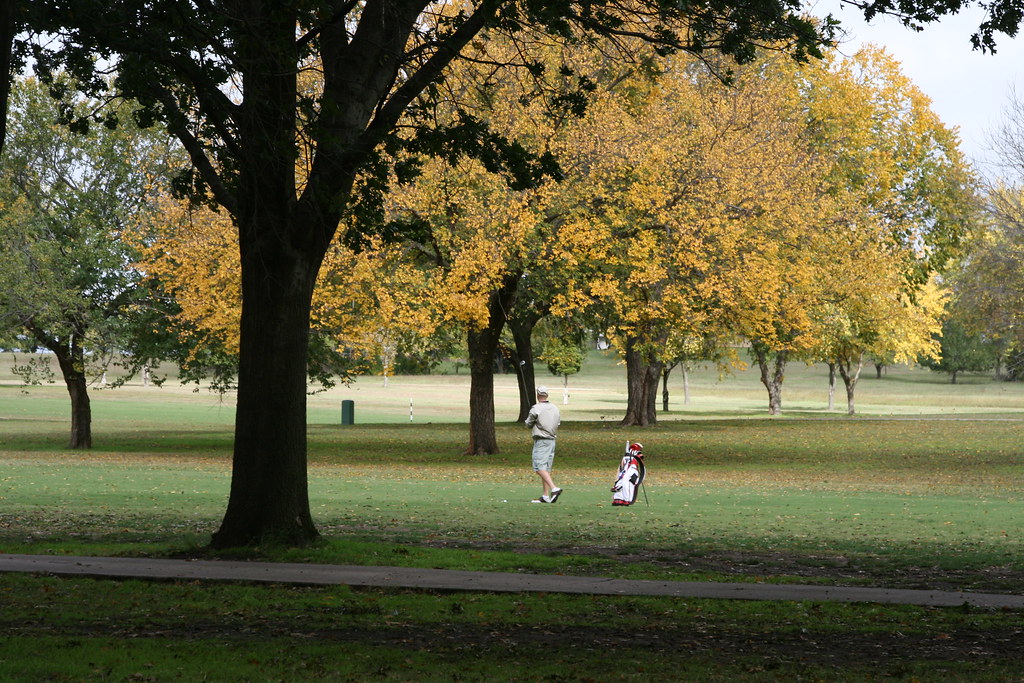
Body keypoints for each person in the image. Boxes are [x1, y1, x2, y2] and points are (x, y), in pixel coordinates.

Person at [525, 385, 562, 503]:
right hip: (552, 441)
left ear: (537, 395)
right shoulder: (555, 408)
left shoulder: (536, 408)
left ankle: (554, 488)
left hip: (541, 441)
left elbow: (528, 424)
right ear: (547, 395)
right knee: (546, 468)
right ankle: (545, 496)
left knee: (538, 467)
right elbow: (558, 423)